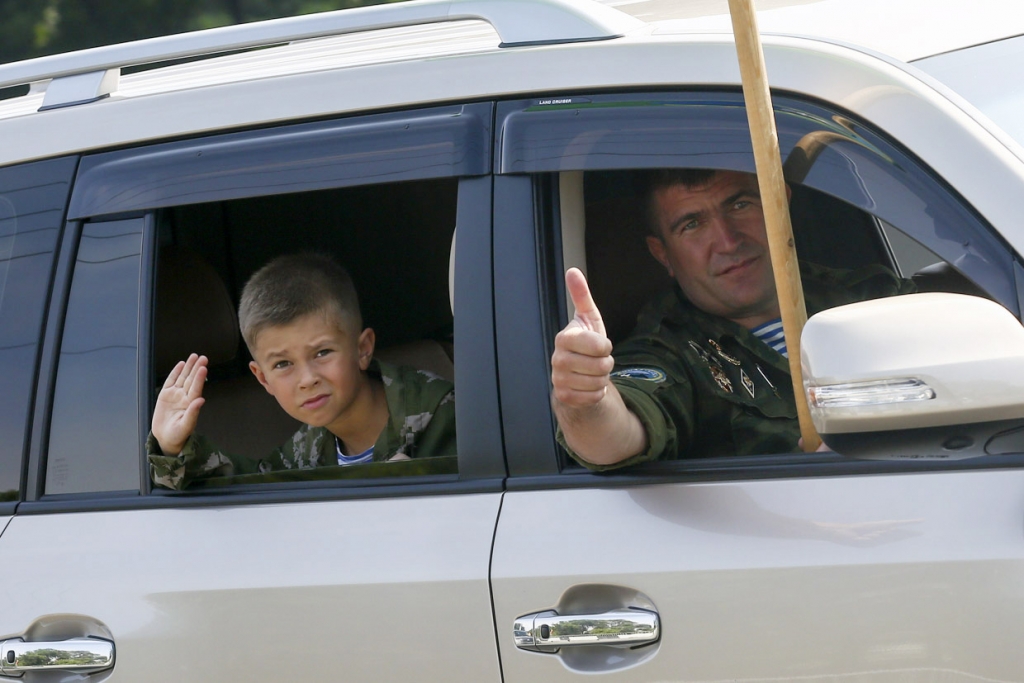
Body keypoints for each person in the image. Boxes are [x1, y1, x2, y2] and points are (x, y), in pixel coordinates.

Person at [550, 168, 914, 470]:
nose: (727, 241)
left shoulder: (873, 295)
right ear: (662, 254)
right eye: (692, 224)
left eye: (740, 205)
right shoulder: (668, 349)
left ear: (780, 204)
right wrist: (586, 400)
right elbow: (616, 438)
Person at [148, 253, 456, 490]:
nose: (308, 379)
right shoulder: (306, 449)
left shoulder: (446, 417)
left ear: (362, 349)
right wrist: (173, 449)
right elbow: (246, 487)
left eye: (322, 353)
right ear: (263, 378)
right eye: (283, 364)